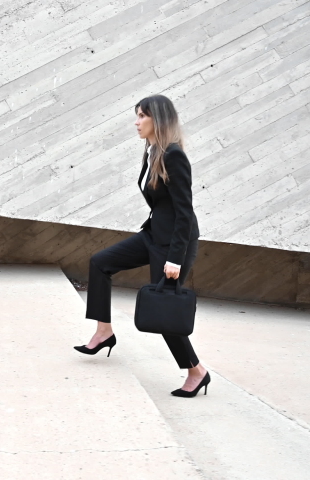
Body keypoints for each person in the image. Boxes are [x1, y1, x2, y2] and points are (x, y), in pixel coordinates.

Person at [73, 94, 209, 398]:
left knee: (162, 311)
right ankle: (104, 331)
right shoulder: (154, 152)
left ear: (157, 120)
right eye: (136, 116)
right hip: (153, 234)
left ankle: (196, 371)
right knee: (100, 262)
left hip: (175, 244)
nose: (136, 122)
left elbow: (185, 212)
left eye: (141, 116)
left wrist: (174, 258)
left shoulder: (174, 155)